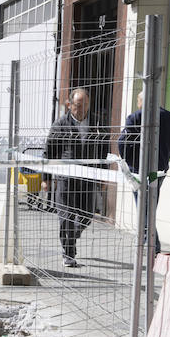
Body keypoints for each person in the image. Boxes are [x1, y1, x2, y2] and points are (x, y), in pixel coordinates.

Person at [117, 90, 170, 254]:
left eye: (138, 100)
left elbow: (122, 143)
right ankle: (148, 243)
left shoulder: (136, 117)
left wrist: (130, 162)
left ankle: (152, 246)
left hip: (139, 171)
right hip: (158, 170)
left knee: (144, 207)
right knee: (149, 205)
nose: (137, 104)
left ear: (143, 101)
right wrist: (166, 155)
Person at [45, 88, 108, 268]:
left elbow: (103, 152)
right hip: (66, 178)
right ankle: (69, 252)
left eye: (85, 105)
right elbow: (49, 151)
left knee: (87, 215)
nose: (81, 110)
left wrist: (102, 176)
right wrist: (46, 177)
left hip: (88, 176)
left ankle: (72, 235)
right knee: (66, 218)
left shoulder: (97, 123)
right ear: (69, 104)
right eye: (78, 106)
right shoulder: (60, 125)